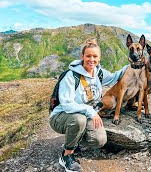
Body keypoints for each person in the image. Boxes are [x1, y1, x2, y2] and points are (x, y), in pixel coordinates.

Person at [49, 38, 128, 172]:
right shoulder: (71, 76)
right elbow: (67, 105)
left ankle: (74, 139)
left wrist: (130, 66)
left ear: (99, 58)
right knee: (79, 119)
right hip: (61, 116)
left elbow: (115, 76)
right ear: (82, 57)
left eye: (95, 56)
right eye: (88, 56)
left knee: (99, 140)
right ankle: (66, 156)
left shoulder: (99, 73)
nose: (92, 59)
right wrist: (91, 112)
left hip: (85, 116)